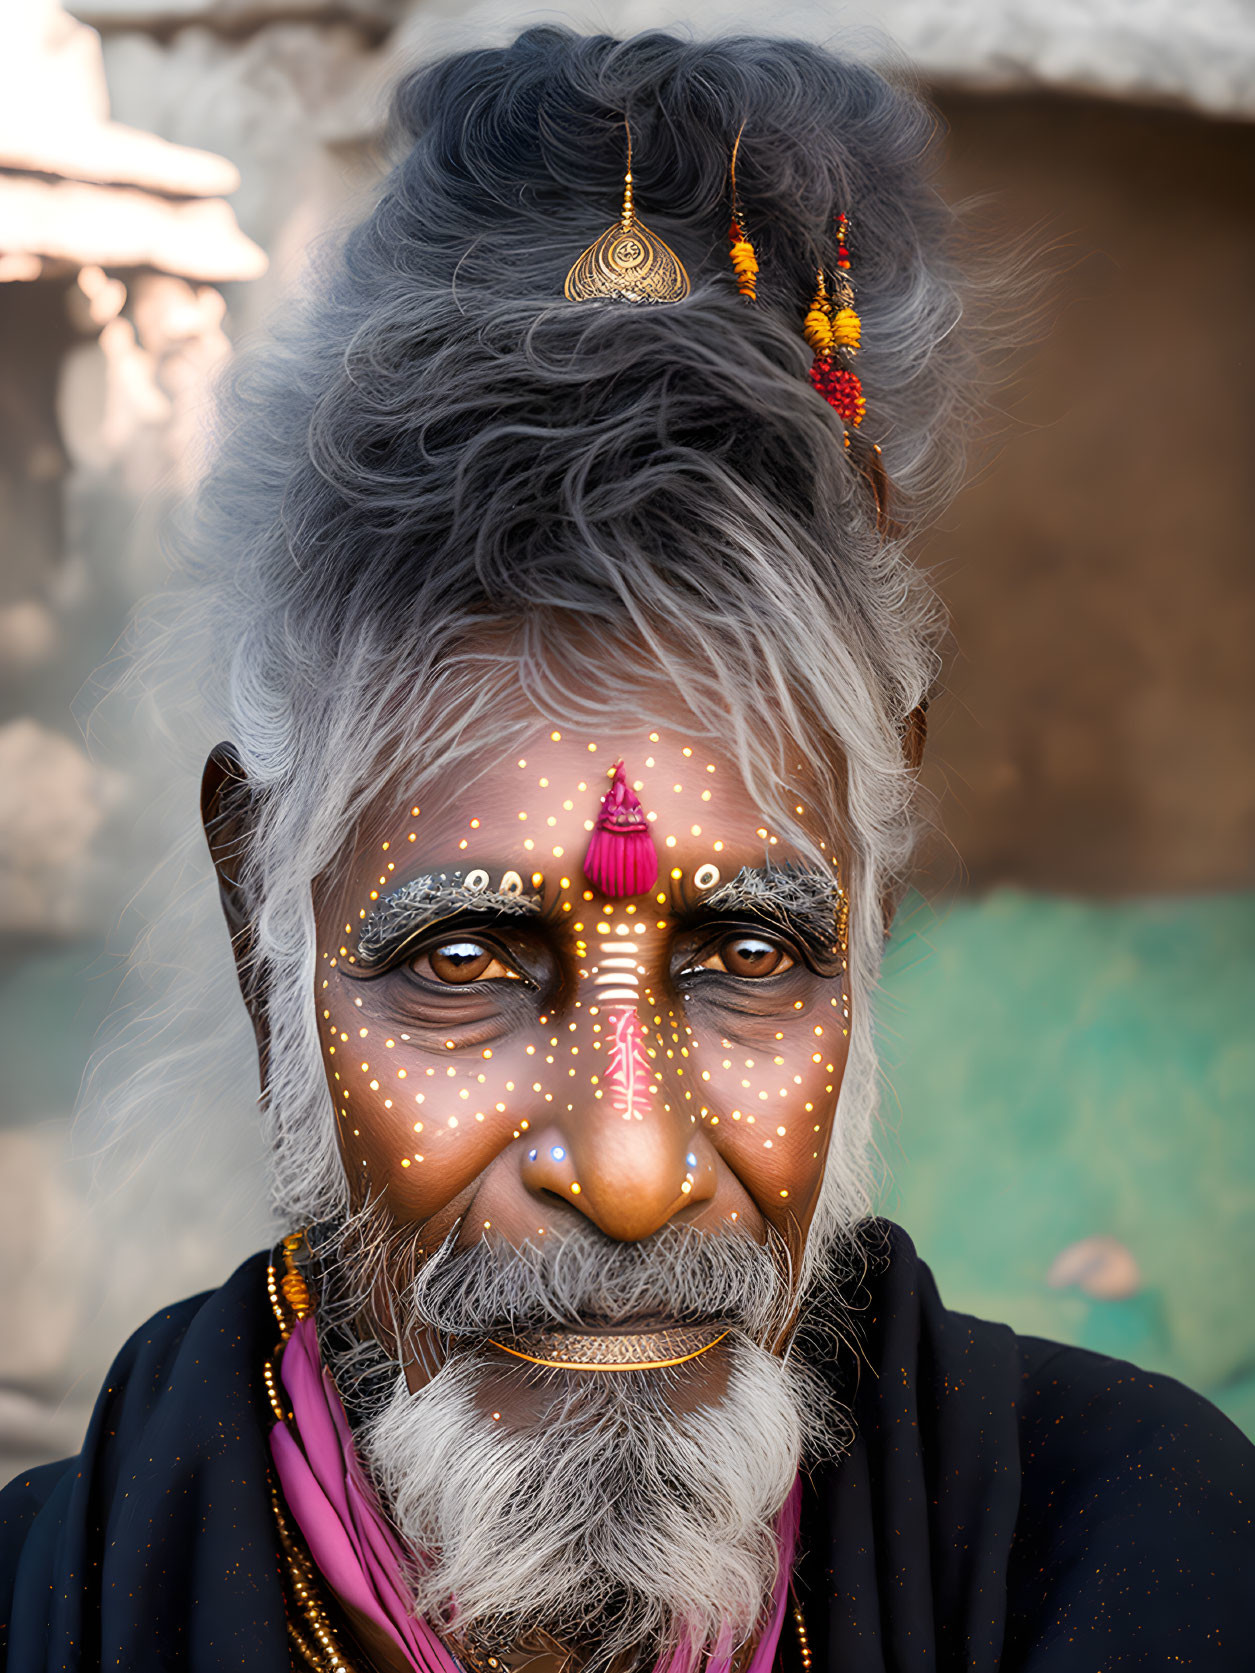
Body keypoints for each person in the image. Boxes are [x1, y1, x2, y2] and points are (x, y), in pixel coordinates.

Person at [1, 26, 1251, 1673]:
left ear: (868, 918)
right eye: (462, 959)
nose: (637, 1171)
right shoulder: (47, 1612)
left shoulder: (1151, 1563)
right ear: (262, 920)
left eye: (747, 952)